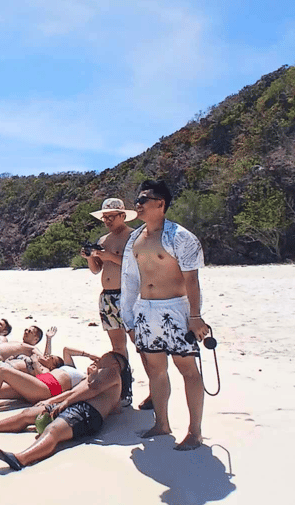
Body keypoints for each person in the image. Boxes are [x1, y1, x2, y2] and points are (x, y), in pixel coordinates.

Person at [120, 179, 210, 451]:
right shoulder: (135, 238)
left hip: (176, 309)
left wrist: (195, 316)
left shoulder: (180, 237)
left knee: (188, 370)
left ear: (160, 204)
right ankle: (162, 424)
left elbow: (192, 280)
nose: (138, 204)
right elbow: (130, 280)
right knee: (156, 371)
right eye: (138, 199)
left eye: (144, 199)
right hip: (146, 312)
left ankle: (195, 432)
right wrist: (129, 318)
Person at [0, 351, 131, 471]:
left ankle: (21, 459)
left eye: (109, 354)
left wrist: (66, 402)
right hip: (74, 403)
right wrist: (50, 401)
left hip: (87, 412)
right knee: (27, 415)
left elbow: (93, 389)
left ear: (117, 363)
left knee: (52, 430)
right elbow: (72, 393)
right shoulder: (94, 375)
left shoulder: (112, 372)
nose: (104, 354)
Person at [0, 345, 94, 415]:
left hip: (47, 390)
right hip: (37, 384)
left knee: (2, 371)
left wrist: (50, 402)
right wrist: (91, 356)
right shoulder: (70, 366)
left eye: (96, 366)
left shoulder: (86, 379)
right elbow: (67, 349)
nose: (93, 366)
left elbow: (74, 394)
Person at [80, 198, 136, 361]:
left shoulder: (133, 237)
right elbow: (96, 269)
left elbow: (137, 264)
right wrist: (90, 257)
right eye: (105, 217)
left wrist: (110, 256)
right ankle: (125, 381)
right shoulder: (103, 240)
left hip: (128, 294)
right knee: (118, 347)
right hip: (107, 297)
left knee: (139, 342)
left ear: (122, 216)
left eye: (111, 216)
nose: (107, 221)